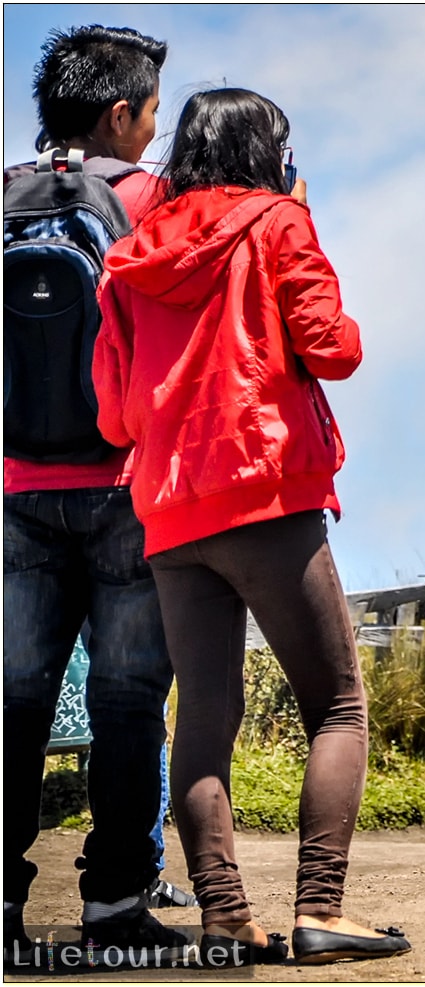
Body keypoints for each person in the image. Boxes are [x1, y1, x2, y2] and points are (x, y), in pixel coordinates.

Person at [92, 87, 411, 966]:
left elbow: (116, 416)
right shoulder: (277, 223)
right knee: (338, 705)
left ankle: (226, 916)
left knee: (202, 715)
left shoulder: (127, 255)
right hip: (265, 495)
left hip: (168, 510)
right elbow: (333, 349)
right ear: (268, 154)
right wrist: (301, 231)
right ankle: (320, 908)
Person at [3, 25, 187, 963]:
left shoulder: (1, 197)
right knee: (125, 700)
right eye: (153, 112)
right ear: (122, 112)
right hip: (125, 485)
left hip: (16, 488)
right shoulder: (155, 199)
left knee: (13, 702)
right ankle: (115, 906)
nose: (155, 130)